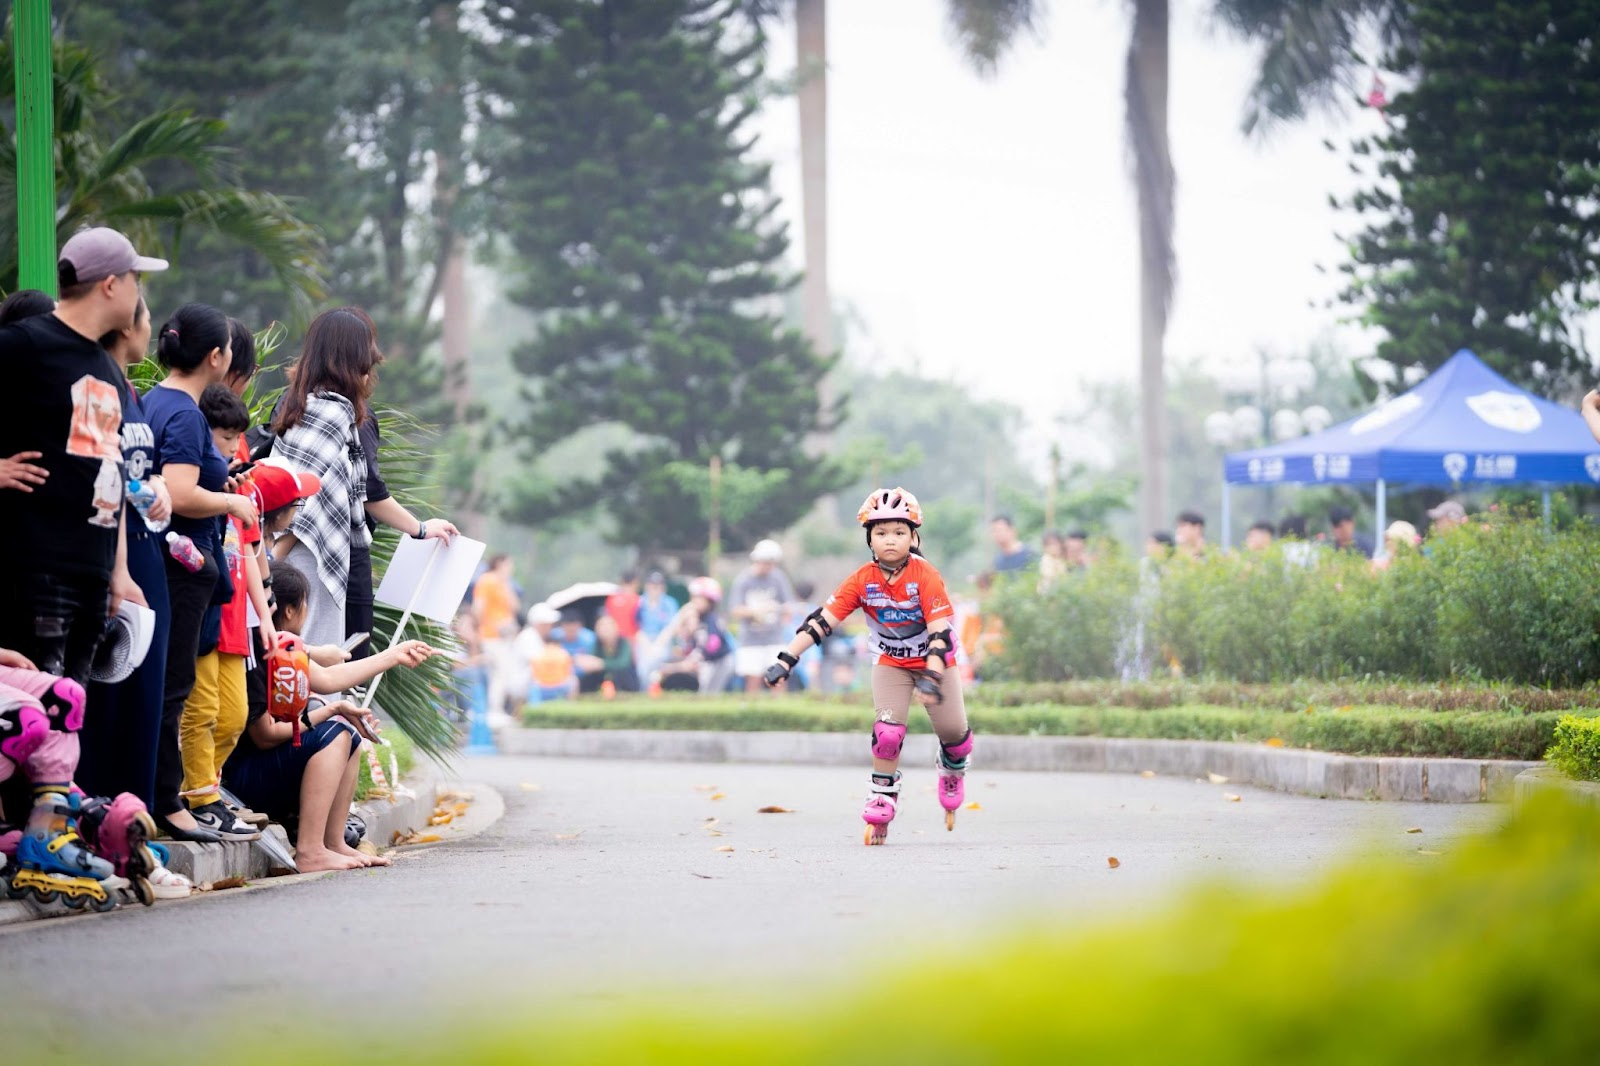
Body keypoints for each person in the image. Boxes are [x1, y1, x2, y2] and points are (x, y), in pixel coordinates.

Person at [0, 228, 164, 686]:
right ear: (110, 285)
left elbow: (106, 468)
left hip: (91, 581)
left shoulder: (107, 367)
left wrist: (116, 571)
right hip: (34, 577)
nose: (138, 294)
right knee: (28, 732)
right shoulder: (24, 344)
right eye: (135, 280)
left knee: (68, 731)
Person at [762, 487, 971, 846]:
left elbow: (940, 633)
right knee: (887, 734)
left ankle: (950, 769)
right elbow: (821, 622)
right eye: (881, 533)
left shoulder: (926, 576)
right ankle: (882, 799)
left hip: (935, 662)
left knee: (954, 734)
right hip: (891, 663)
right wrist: (786, 658)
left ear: (914, 536)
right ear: (869, 539)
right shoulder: (862, 580)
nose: (890, 540)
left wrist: (933, 675)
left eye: (899, 532)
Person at [222, 562, 437, 872]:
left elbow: (331, 678)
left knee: (346, 734)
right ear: (291, 611)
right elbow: (265, 736)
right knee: (334, 731)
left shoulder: (285, 651)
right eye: (306, 603)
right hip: (242, 783)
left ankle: (332, 843)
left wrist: (393, 655)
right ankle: (309, 851)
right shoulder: (256, 650)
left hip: (266, 771)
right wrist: (331, 710)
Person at [141, 301, 258, 842]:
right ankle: (168, 803)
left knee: (162, 684)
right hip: (181, 570)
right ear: (215, 357)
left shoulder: (152, 401)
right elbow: (181, 493)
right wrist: (231, 505)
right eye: (229, 348)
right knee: (175, 686)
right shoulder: (187, 413)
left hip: (153, 562)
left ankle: (151, 796)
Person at [78, 296, 170, 814]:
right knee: (108, 701)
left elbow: (133, 471)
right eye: (146, 317)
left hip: (144, 548)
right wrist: (116, 569)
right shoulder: (96, 385)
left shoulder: (130, 387)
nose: (151, 329)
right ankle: (100, 818)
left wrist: (155, 485)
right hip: (116, 558)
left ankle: (135, 823)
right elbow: (98, 479)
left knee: (143, 701)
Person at [177, 384, 261, 841]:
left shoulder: (224, 486)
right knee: (201, 709)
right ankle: (200, 798)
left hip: (229, 614)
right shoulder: (197, 482)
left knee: (232, 715)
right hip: (201, 606)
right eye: (226, 440)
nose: (232, 449)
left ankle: (211, 787)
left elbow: (251, 549)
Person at [269, 308, 379, 648]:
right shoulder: (332, 413)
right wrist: (274, 558)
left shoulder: (298, 403)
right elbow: (299, 497)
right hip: (310, 555)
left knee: (300, 657)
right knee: (315, 659)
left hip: (290, 556)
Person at [729, 539, 796, 692]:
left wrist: (780, 612)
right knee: (753, 680)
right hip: (750, 639)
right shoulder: (743, 580)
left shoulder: (778, 578)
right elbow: (735, 610)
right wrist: (757, 611)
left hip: (774, 638)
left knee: (778, 678)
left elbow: (788, 605)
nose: (768, 566)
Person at [472, 555, 521, 718]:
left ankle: (496, 708)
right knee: (499, 672)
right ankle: (494, 709)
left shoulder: (504, 583)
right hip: (491, 634)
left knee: (503, 672)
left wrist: (507, 583)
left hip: (505, 635)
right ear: (500, 564)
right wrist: (479, 629)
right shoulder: (487, 580)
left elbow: (515, 607)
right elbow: (478, 607)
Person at [635, 570, 680, 678]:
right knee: (643, 660)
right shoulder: (639, 602)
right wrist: (646, 643)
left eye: (658, 585)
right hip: (643, 640)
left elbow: (671, 626)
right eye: (652, 585)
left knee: (654, 657)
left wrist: (657, 644)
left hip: (663, 640)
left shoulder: (669, 603)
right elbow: (636, 625)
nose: (655, 588)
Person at [555, 610, 606, 691]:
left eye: (573, 630)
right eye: (568, 630)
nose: (571, 633)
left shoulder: (589, 638)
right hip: (560, 671)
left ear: (580, 626)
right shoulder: (554, 637)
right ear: (562, 627)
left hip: (583, 672)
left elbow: (591, 660)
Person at [591, 615, 640, 693]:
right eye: (601, 627)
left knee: (622, 673)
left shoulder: (624, 642)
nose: (605, 630)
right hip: (602, 676)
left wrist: (602, 664)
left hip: (624, 678)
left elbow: (623, 663)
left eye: (607, 627)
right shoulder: (596, 644)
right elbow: (592, 661)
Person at [604, 569, 642, 645]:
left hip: (614, 642)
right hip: (632, 641)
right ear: (635, 582)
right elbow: (639, 623)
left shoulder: (611, 599)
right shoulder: (637, 600)